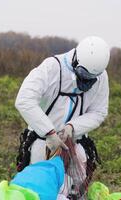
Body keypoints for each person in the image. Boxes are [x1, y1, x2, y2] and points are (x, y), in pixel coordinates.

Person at [15, 36, 110, 193]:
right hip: (44, 142)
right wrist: (49, 132)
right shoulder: (51, 68)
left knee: (76, 189)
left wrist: (72, 127)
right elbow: (24, 100)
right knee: (42, 189)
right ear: (75, 60)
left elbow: (99, 112)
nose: (85, 82)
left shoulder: (101, 77)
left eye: (90, 79)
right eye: (83, 75)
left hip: (76, 143)